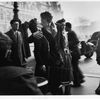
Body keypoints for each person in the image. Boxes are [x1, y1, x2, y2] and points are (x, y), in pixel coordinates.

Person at [40, 11, 63, 94]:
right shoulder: (41, 32)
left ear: (48, 21)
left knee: (56, 83)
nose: (41, 22)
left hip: (55, 59)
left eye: (43, 20)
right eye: (41, 20)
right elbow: (39, 50)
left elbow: (58, 45)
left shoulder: (54, 31)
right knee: (48, 83)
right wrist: (42, 63)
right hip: (47, 60)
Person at [65, 22, 85, 87]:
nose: (64, 28)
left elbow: (76, 41)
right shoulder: (71, 32)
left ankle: (77, 83)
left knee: (74, 68)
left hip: (74, 53)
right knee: (75, 66)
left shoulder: (70, 33)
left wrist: (67, 43)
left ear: (68, 27)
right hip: (76, 52)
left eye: (65, 26)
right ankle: (80, 79)